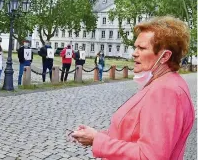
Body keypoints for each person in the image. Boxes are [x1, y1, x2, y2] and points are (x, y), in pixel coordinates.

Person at [70, 16, 195, 160]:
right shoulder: (165, 83)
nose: (134, 53)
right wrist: (97, 136)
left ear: (165, 56)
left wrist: (97, 140)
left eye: (141, 48)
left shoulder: (165, 91)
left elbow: (150, 156)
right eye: (136, 47)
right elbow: (135, 135)